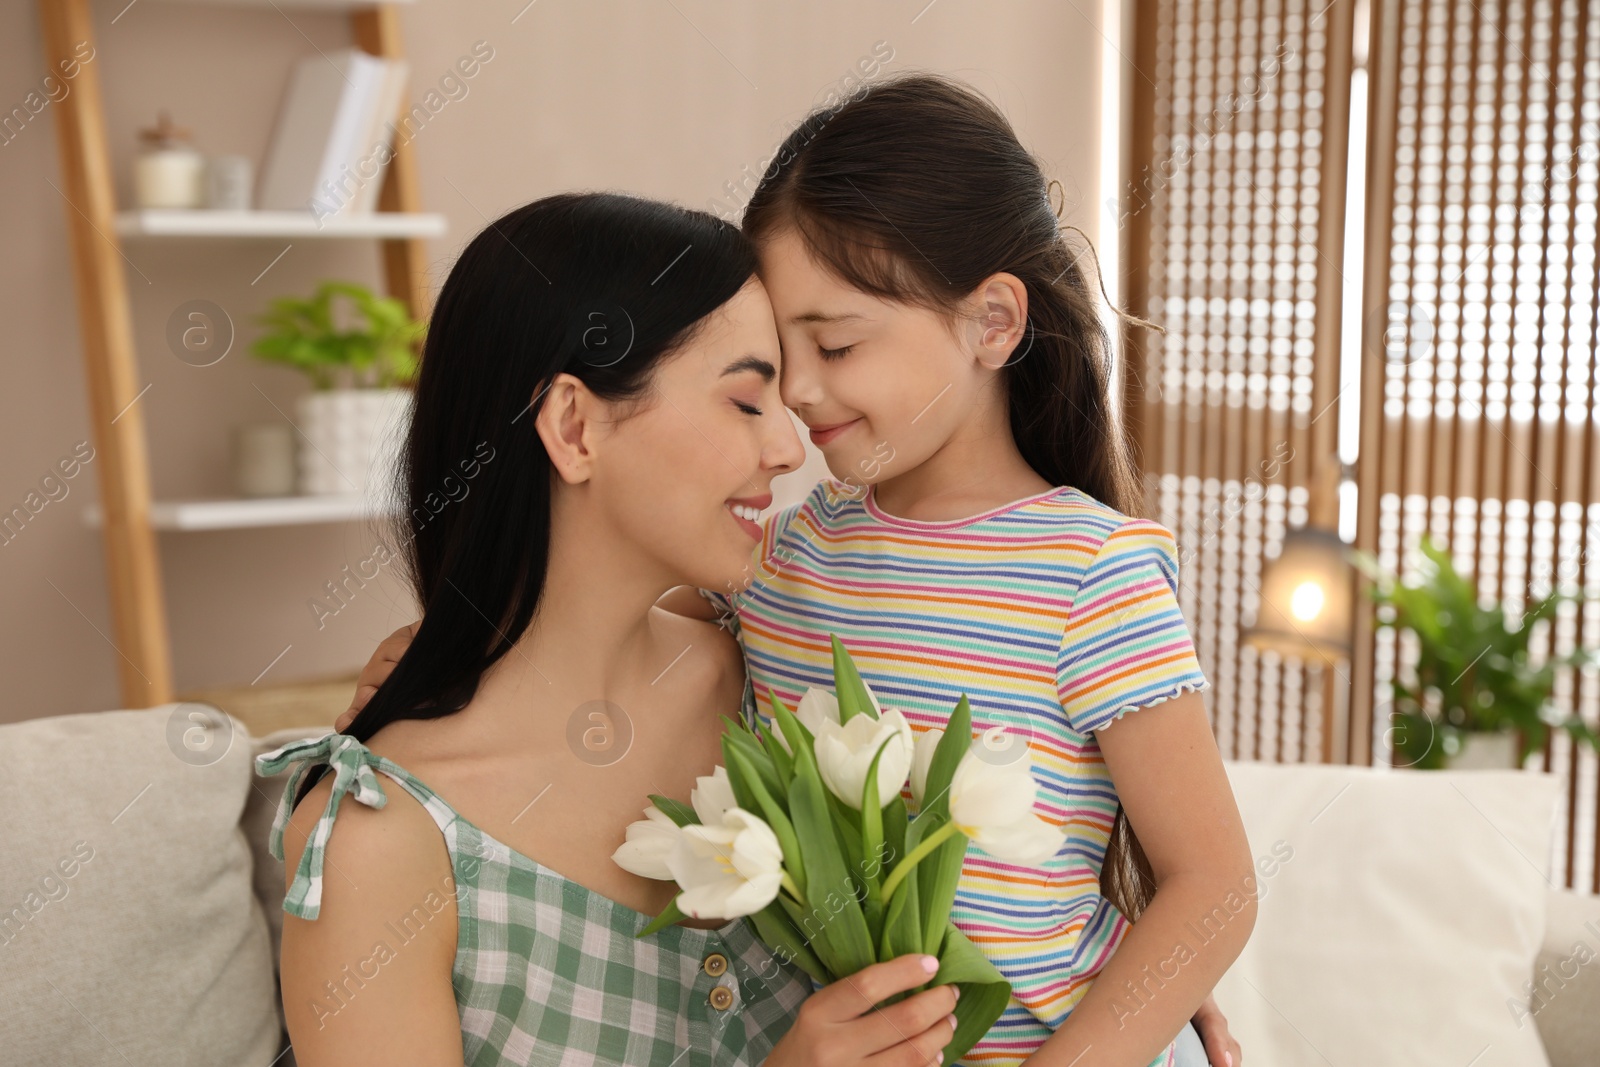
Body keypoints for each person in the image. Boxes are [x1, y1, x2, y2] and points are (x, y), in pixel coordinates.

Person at [341, 74, 1254, 1067]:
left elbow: (1211, 884)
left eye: (835, 343)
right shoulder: (789, 555)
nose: (800, 400)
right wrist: (442, 660)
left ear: (993, 322)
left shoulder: (1091, 572)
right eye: (776, 362)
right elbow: (582, 603)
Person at [260, 192, 960, 1067]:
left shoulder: (772, 682)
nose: (790, 447)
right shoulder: (379, 843)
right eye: (747, 401)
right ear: (574, 426)